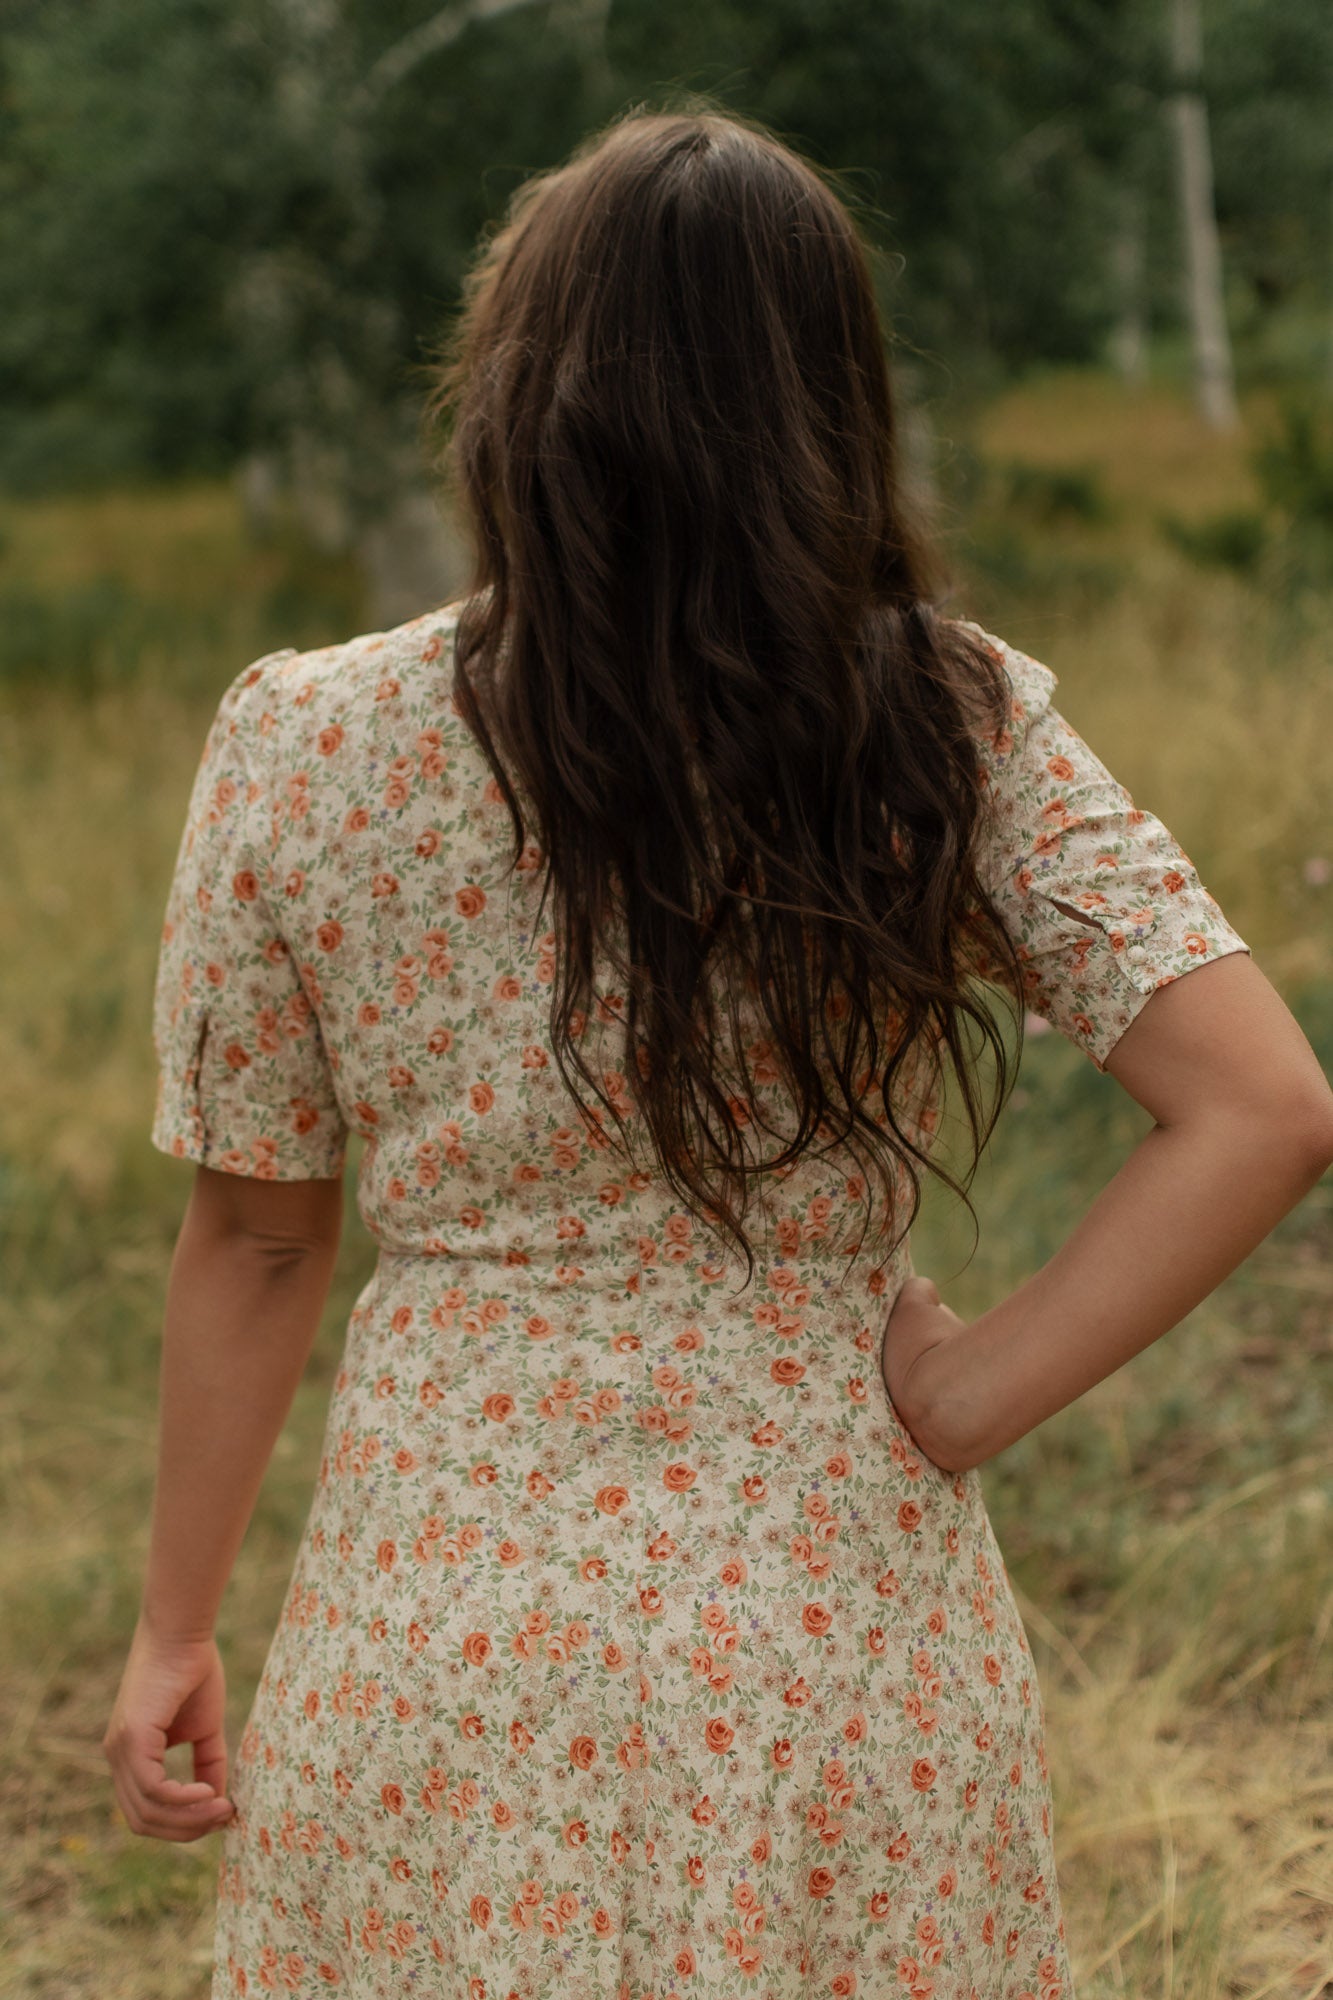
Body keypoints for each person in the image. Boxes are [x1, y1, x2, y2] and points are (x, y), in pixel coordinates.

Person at [102, 105, 1333, 2000]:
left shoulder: (305, 744)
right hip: (831, 1629)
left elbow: (261, 1238)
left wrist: (173, 1627)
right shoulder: (941, 720)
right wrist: (969, 1395)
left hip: (446, 1626)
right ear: (829, 401)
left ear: (512, 386)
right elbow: (1257, 1104)